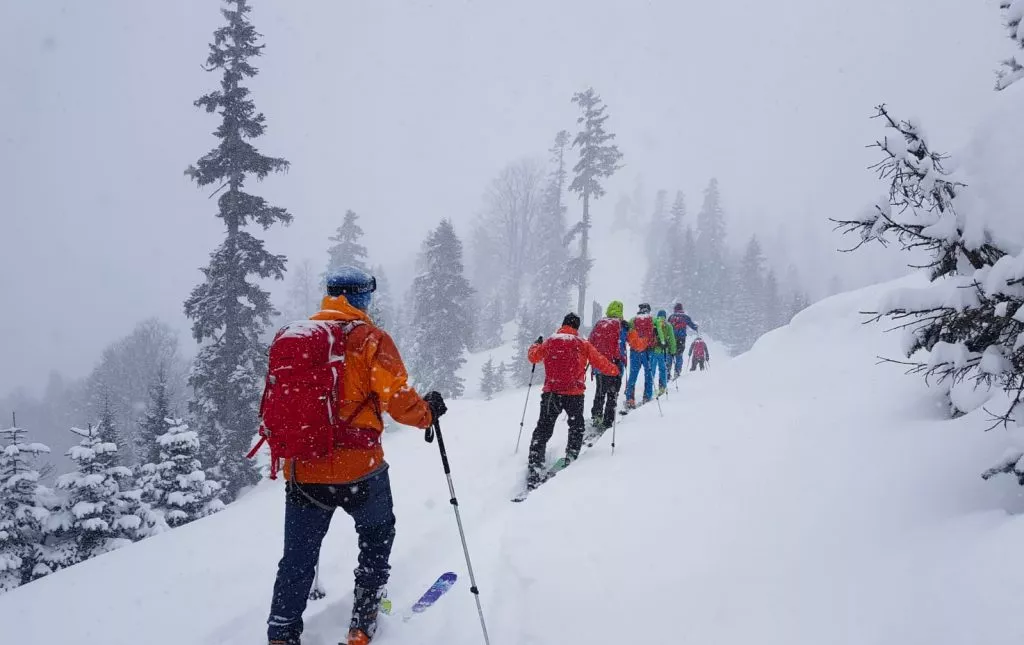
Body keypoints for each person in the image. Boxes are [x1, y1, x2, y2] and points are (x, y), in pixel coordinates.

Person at [265, 266, 448, 645]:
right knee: (377, 535)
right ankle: (362, 623)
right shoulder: (370, 339)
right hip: (359, 470)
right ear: (361, 298)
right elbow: (397, 401)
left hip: (304, 471)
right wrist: (427, 412)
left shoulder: (295, 338)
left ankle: (282, 632)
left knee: (297, 558)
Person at [526, 313, 619, 488]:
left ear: (563, 324)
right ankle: (571, 455)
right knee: (576, 426)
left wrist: (535, 344)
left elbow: (533, 357)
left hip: (551, 393)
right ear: (576, 327)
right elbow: (600, 362)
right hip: (574, 393)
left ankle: (535, 465)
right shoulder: (582, 343)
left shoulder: (550, 341)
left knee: (543, 428)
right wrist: (615, 370)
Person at [587, 300, 628, 429]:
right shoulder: (620, 325)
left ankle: (597, 417)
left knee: (600, 392)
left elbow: (590, 341)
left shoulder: (600, 324)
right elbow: (620, 346)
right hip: (614, 365)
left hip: (599, 365)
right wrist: (621, 360)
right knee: (612, 394)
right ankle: (608, 420)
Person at [624, 303, 657, 409]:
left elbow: (627, 332)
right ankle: (647, 396)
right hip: (648, 351)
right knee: (648, 374)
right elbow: (657, 333)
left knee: (633, 375)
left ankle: (630, 398)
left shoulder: (633, 320)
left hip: (635, 351)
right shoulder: (652, 319)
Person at [667, 303, 698, 379]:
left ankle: (667, 372)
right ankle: (677, 372)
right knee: (679, 355)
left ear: (675, 309)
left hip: (671, 339)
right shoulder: (685, 317)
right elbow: (693, 326)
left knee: (669, 355)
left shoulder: (671, 317)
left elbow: (667, 327)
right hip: (681, 339)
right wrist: (696, 327)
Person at [651, 310, 677, 396]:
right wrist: (672, 351)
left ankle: (650, 388)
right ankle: (662, 387)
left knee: (652, 370)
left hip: (653, 350)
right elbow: (672, 339)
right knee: (662, 369)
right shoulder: (668, 325)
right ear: (665, 316)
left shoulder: (654, 323)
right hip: (663, 351)